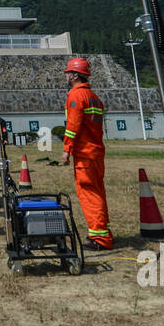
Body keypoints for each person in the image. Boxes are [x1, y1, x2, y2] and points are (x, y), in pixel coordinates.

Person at [62, 57, 112, 250]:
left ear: (74, 75)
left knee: (89, 194)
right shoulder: (94, 97)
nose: (66, 76)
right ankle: (102, 232)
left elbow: (72, 126)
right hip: (96, 152)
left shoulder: (76, 96)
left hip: (85, 153)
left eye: (68, 73)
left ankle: (100, 238)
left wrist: (67, 149)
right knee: (98, 192)